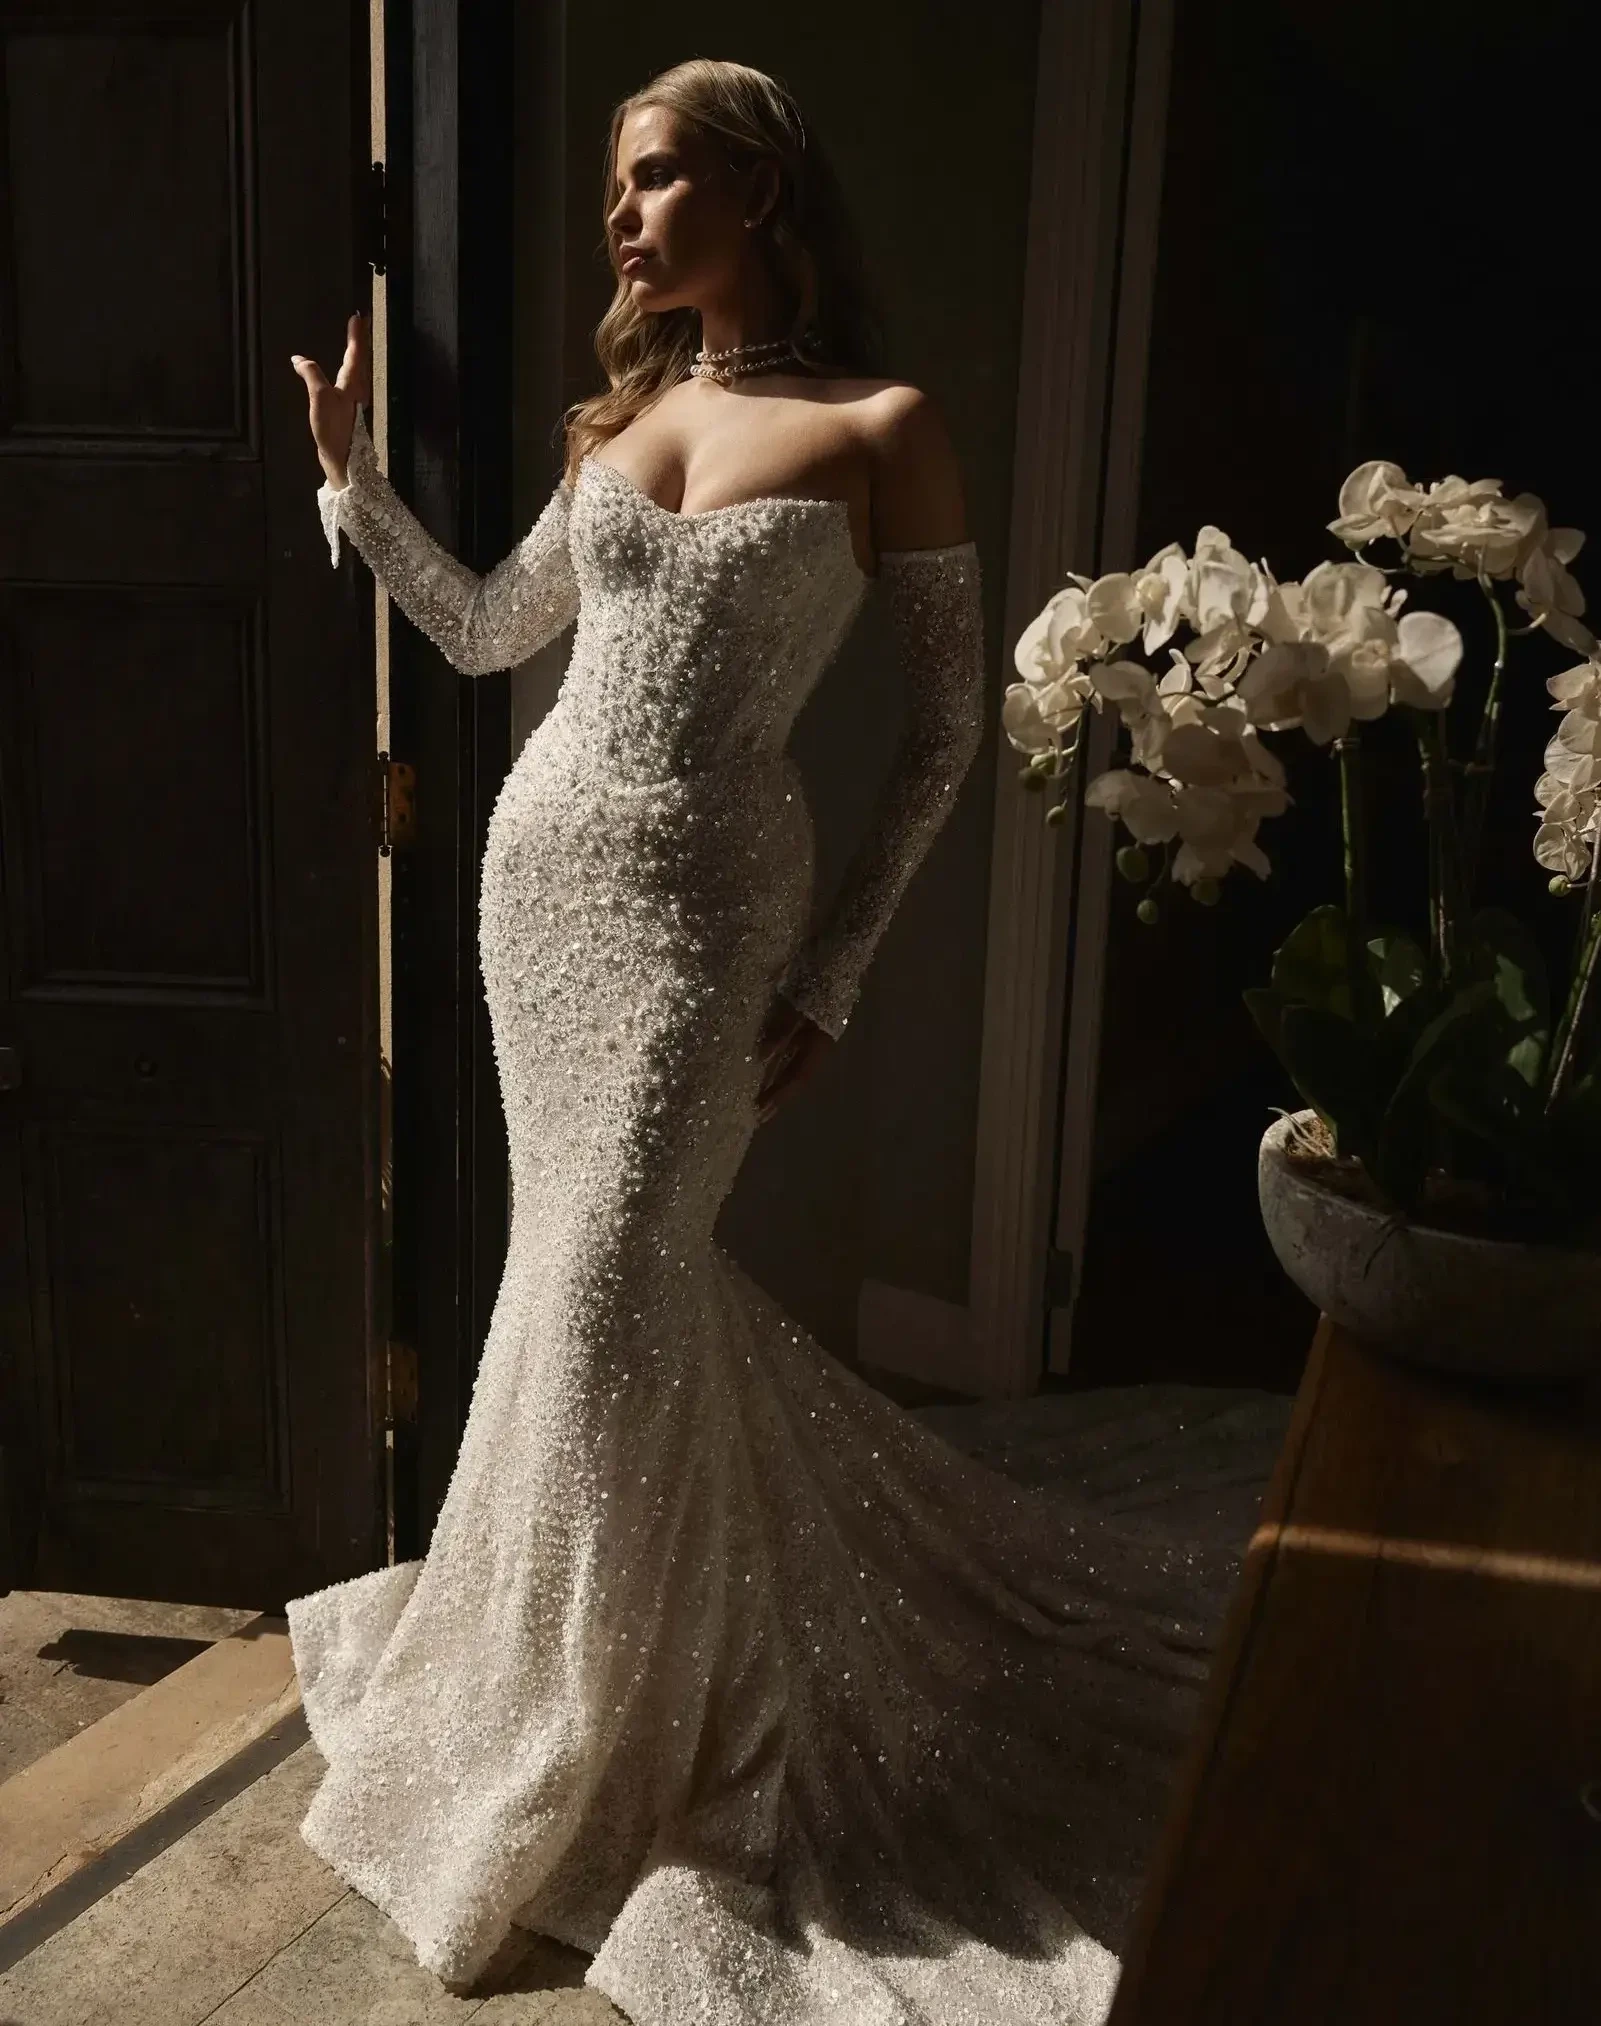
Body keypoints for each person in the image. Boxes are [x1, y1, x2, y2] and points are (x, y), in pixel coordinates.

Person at [285, 56, 1287, 2025]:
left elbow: (936, 733)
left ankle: (638, 1723)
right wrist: (353, 486)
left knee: (606, 1286)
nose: (625, 217)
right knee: (578, 1301)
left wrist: (829, 967)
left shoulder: (881, 428)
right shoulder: (627, 417)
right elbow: (494, 636)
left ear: (757, 187)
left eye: (659, 180)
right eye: (613, 194)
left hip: (705, 914)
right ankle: (564, 1693)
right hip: (537, 891)